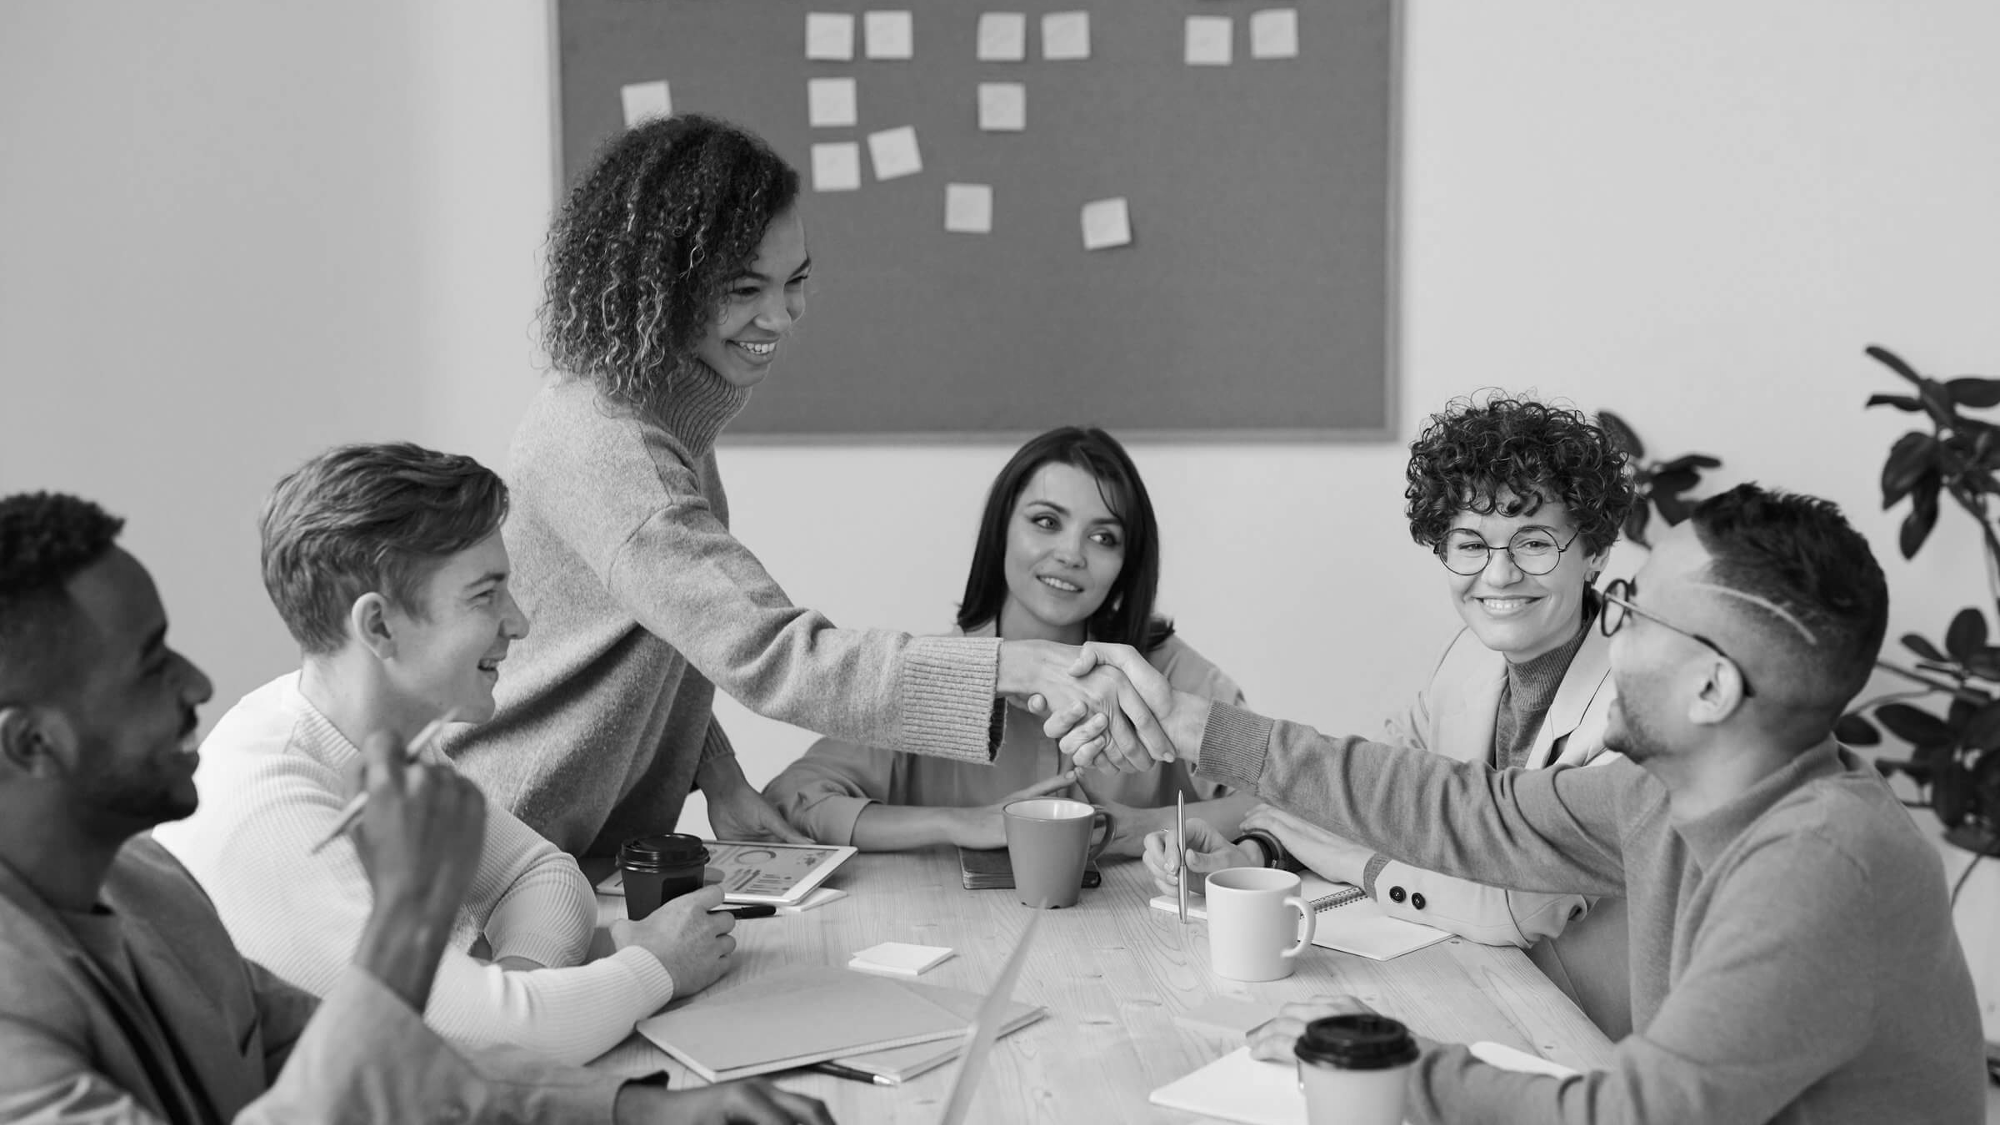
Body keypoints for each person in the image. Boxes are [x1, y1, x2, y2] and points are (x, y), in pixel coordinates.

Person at [1070, 485, 1987, 1124]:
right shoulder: (1667, 791)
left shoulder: (1822, 864)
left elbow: (1639, 1114)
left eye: (1631, 609)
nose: (1608, 627)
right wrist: (1201, 727)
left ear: (1712, 688)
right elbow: (1472, 811)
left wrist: (1397, 1062)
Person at [444, 114, 1170, 858]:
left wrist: (719, 777)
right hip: (501, 851)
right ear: (658, 285)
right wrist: (1012, 664)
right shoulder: (611, 446)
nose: (781, 316)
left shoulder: (662, 414)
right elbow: (774, 652)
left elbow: (677, 631)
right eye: (745, 288)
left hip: (574, 850)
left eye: (796, 282)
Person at [0, 491, 834, 1125]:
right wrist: (408, 919)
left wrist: (639, 1109)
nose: (198, 684)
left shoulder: (147, 884)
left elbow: (386, 1061)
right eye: (150, 668)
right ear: (30, 742)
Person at [152, 444, 733, 1066]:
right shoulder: (271, 809)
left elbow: (542, 876)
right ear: (377, 627)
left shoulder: (385, 738)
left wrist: (515, 990)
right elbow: (495, 1044)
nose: (519, 623)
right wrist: (655, 966)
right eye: (484, 596)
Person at [1154, 394, 1636, 1035]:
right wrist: (1257, 850)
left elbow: (1513, 904)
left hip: (1600, 1040)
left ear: (1596, 551)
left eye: (1535, 543)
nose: (1497, 574)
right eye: (1470, 543)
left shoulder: (1636, 700)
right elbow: (1369, 790)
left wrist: (1349, 859)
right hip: (1486, 998)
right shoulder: (1468, 659)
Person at [764, 427, 1253, 855]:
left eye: (1103, 538)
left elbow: (1292, 801)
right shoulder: (931, 675)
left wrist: (1147, 826)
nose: (1071, 554)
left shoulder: (1173, 675)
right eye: (1046, 522)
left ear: (1127, 565)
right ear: (1001, 531)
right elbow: (794, 799)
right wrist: (961, 822)